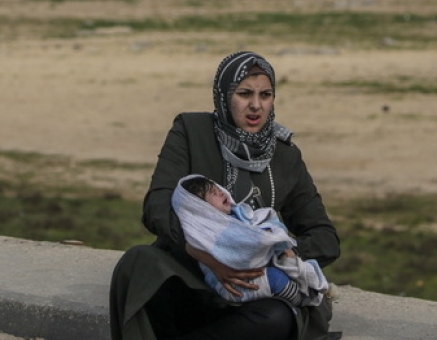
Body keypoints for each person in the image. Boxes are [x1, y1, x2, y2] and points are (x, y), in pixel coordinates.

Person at [109, 50, 341, 340]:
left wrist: (269, 251)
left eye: (265, 95)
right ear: (224, 95)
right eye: (244, 94)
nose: (255, 106)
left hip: (254, 291)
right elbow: (155, 207)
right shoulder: (191, 132)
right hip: (192, 277)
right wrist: (206, 254)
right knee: (139, 262)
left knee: (277, 318)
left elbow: (325, 238)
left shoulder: (286, 157)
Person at [174, 174, 330, 307]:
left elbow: (264, 219)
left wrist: (272, 235)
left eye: (218, 189)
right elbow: (242, 248)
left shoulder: (238, 214)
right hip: (235, 285)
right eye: (213, 194)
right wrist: (263, 239)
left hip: (259, 271)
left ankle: (305, 291)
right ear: (202, 210)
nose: (221, 193)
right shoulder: (210, 233)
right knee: (275, 278)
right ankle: (300, 301)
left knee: (294, 267)